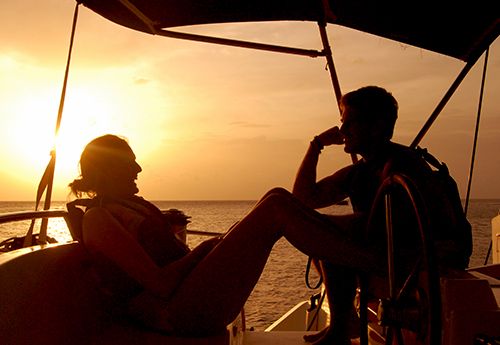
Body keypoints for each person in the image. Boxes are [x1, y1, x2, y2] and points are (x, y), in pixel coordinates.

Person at [69, 134, 385, 341]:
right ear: (108, 169)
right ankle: (376, 264)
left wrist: (178, 235)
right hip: (174, 313)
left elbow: (159, 254)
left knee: (274, 198)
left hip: (188, 295)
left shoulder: (129, 206)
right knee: (275, 206)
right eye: (129, 162)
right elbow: (160, 283)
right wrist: (201, 251)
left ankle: (352, 292)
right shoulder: (98, 217)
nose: (138, 168)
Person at [292, 85, 471, 344]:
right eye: (343, 122)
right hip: (392, 255)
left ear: (376, 126)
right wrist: (316, 145)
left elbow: (381, 228)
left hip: (421, 259)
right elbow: (303, 199)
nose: (342, 131)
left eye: (350, 122)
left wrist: (322, 229)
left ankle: (342, 326)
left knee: (324, 239)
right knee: (321, 237)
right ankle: (345, 323)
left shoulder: (403, 165)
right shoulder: (360, 171)